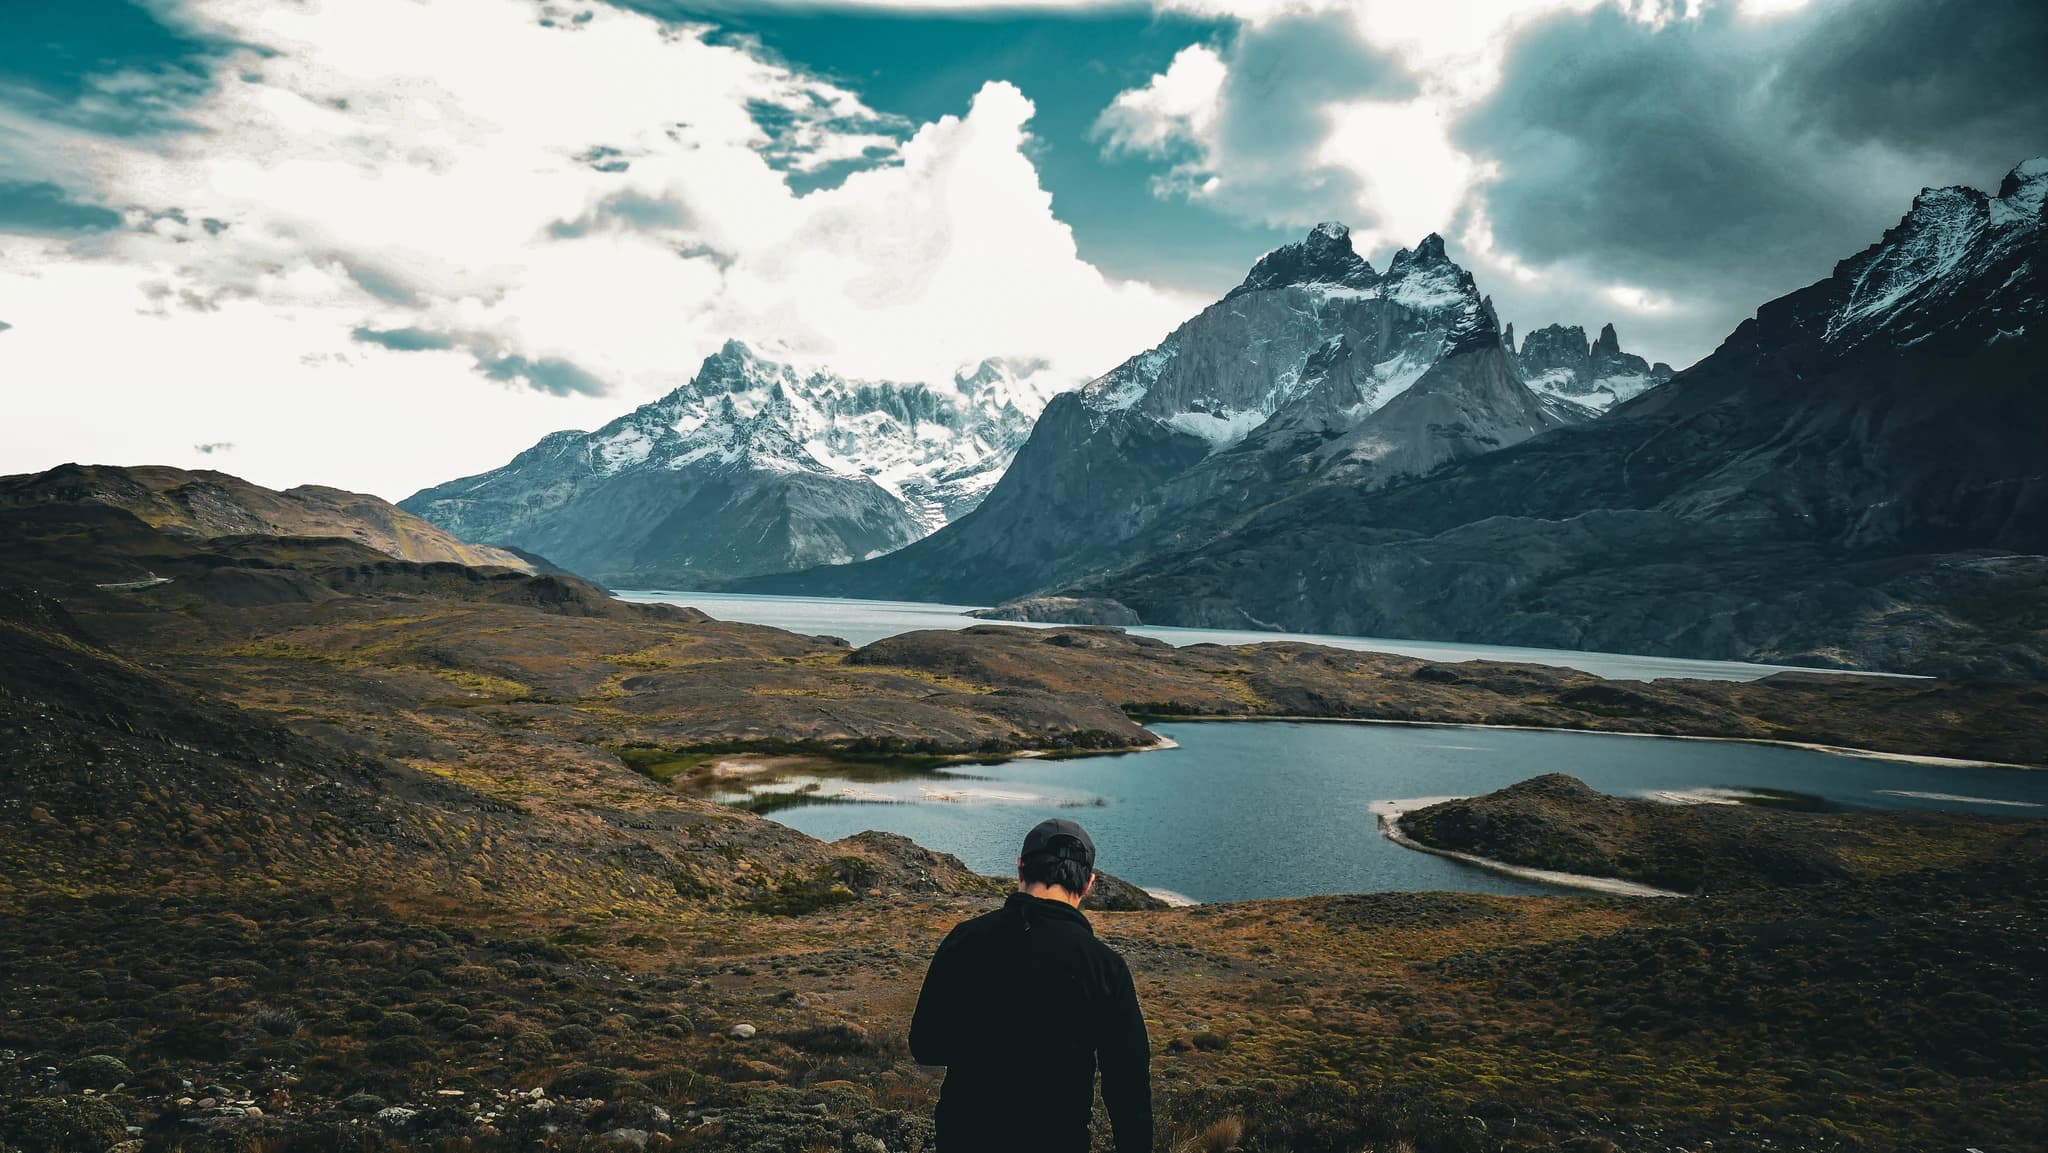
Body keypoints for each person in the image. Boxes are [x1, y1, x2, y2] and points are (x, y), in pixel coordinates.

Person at [909, 818, 1153, 1153]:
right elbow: (1128, 1086)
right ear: (1088, 884)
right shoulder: (1105, 967)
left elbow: (925, 1045)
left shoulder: (965, 939)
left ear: (1021, 869)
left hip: (964, 1138)